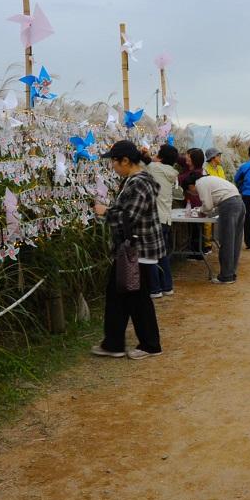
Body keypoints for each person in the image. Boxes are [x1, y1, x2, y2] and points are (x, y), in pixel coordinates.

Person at [91, 140, 164, 359]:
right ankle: (113, 344)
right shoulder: (134, 180)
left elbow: (129, 217)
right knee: (119, 296)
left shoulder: (139, 183)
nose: (112, 166)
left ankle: (150, 345)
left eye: (114, 162)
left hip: (137, 250)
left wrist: (105, 211)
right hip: (132, 250)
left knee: (136, 298)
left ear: (125, 161)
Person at [185, 172, 245, 284]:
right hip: (239, 202)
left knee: (226, 241)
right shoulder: (209, 179)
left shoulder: (200, 183)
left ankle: (226, 276)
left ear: (190, 186)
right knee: (235, 241)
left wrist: (199, 211)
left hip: (229, 205)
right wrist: (206, 211)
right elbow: (214, 206)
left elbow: (207, 206)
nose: (194, 194)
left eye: (190, 191)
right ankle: (231, 273)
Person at [145, 144, 180, 299]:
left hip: (154, 219)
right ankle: (167, 286)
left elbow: (146, 161)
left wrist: (144, 153)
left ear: (161, 158)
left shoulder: (155, 168)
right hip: (165, 218)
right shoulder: (171, 172)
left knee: (151, 255)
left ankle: (154, 289)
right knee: (162, 254)